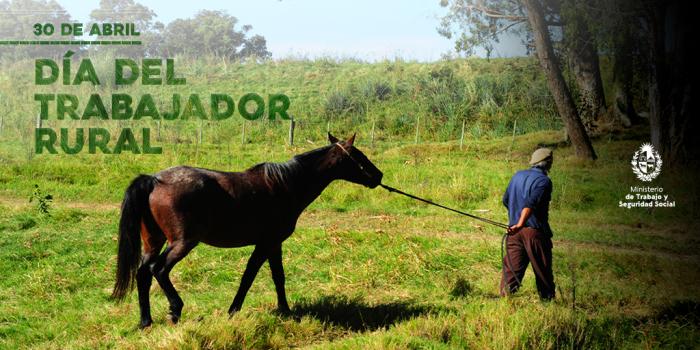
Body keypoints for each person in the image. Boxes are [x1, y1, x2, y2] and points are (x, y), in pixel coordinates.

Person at [500, 148, 555, 300]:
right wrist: (521, 223)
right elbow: (531, 204)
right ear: (548, 163)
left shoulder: (517, 175)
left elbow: (506, 200)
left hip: (514, 234)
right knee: (543, 272)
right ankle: (548, 303)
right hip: (534, 233)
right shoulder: (544, 181)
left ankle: (505, 301)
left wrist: (515, 221)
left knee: (511, 271)